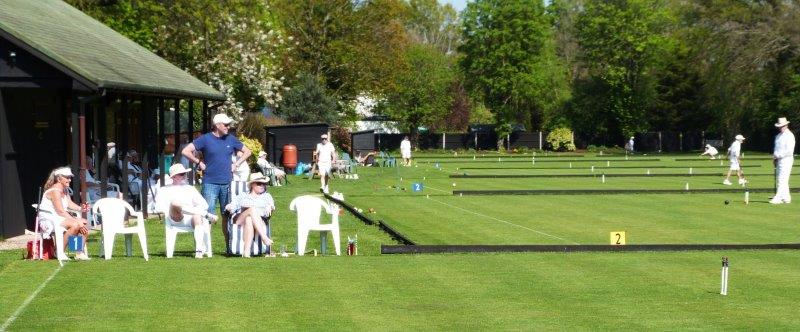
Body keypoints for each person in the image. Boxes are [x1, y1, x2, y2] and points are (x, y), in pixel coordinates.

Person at [182, 113, 251, 242]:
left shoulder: (231, 139)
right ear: (217, 125)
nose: (228, 127)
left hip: (227, 183)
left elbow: (248, 152)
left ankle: (229, 245)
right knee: (207, 215)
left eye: (228, 124)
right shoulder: (205, 139)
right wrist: (199, 162)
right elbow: (185, 151)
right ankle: (205, 248)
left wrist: (236, 164)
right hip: (210, 183)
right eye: (225, 125)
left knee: (228, 215)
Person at [156, 164, 219, 258]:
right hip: (174, 217)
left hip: (190, 218)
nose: (184, 176)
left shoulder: (190, 188)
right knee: (175, 203)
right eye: (181, 174)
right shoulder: (164, 190)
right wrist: (170, 208)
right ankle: (206, 215)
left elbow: (204, 204)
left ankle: (199, 250)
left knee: (197, 216)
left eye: (185, 174)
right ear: (174, 176)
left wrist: (190, 209)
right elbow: (158, 208)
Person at [38, 167, 90, 260]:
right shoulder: (54, 191)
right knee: (76, 224)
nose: (69, 180)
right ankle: (58, 252)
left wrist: (81, 208)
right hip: (49, 219)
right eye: (67, 177)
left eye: (70, 177)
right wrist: (76, 221)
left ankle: (78, 252)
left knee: (85, 223)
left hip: (58, 217)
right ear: (58, 179)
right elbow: (60, 211)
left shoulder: (65, 190)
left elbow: (69, 204)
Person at [224, 173, 275, 257]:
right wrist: (229, 207)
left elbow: (270, 209)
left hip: (259, 220)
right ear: (252, 185)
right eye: (259, 183)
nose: (262, 185)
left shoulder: (267, 196)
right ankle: (264, 238)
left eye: (264, 184)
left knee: (249, 219)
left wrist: (270, 207)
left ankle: (246, 252)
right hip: (240, 219)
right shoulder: (243, 195)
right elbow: (233, 205)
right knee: (251, 210)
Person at [771, 117, 795, 204]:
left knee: (782, 179)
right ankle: (786, 197)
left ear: (786, 125)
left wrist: (778, 156)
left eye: (782, 126)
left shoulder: (790, 136)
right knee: (782, 179)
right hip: (778, 159)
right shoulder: (778, 136)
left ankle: (778, 197)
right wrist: (775, 158)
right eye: (779, 126)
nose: (780, 128)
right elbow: (776, 148)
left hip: (786, 159)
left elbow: (789, 151)